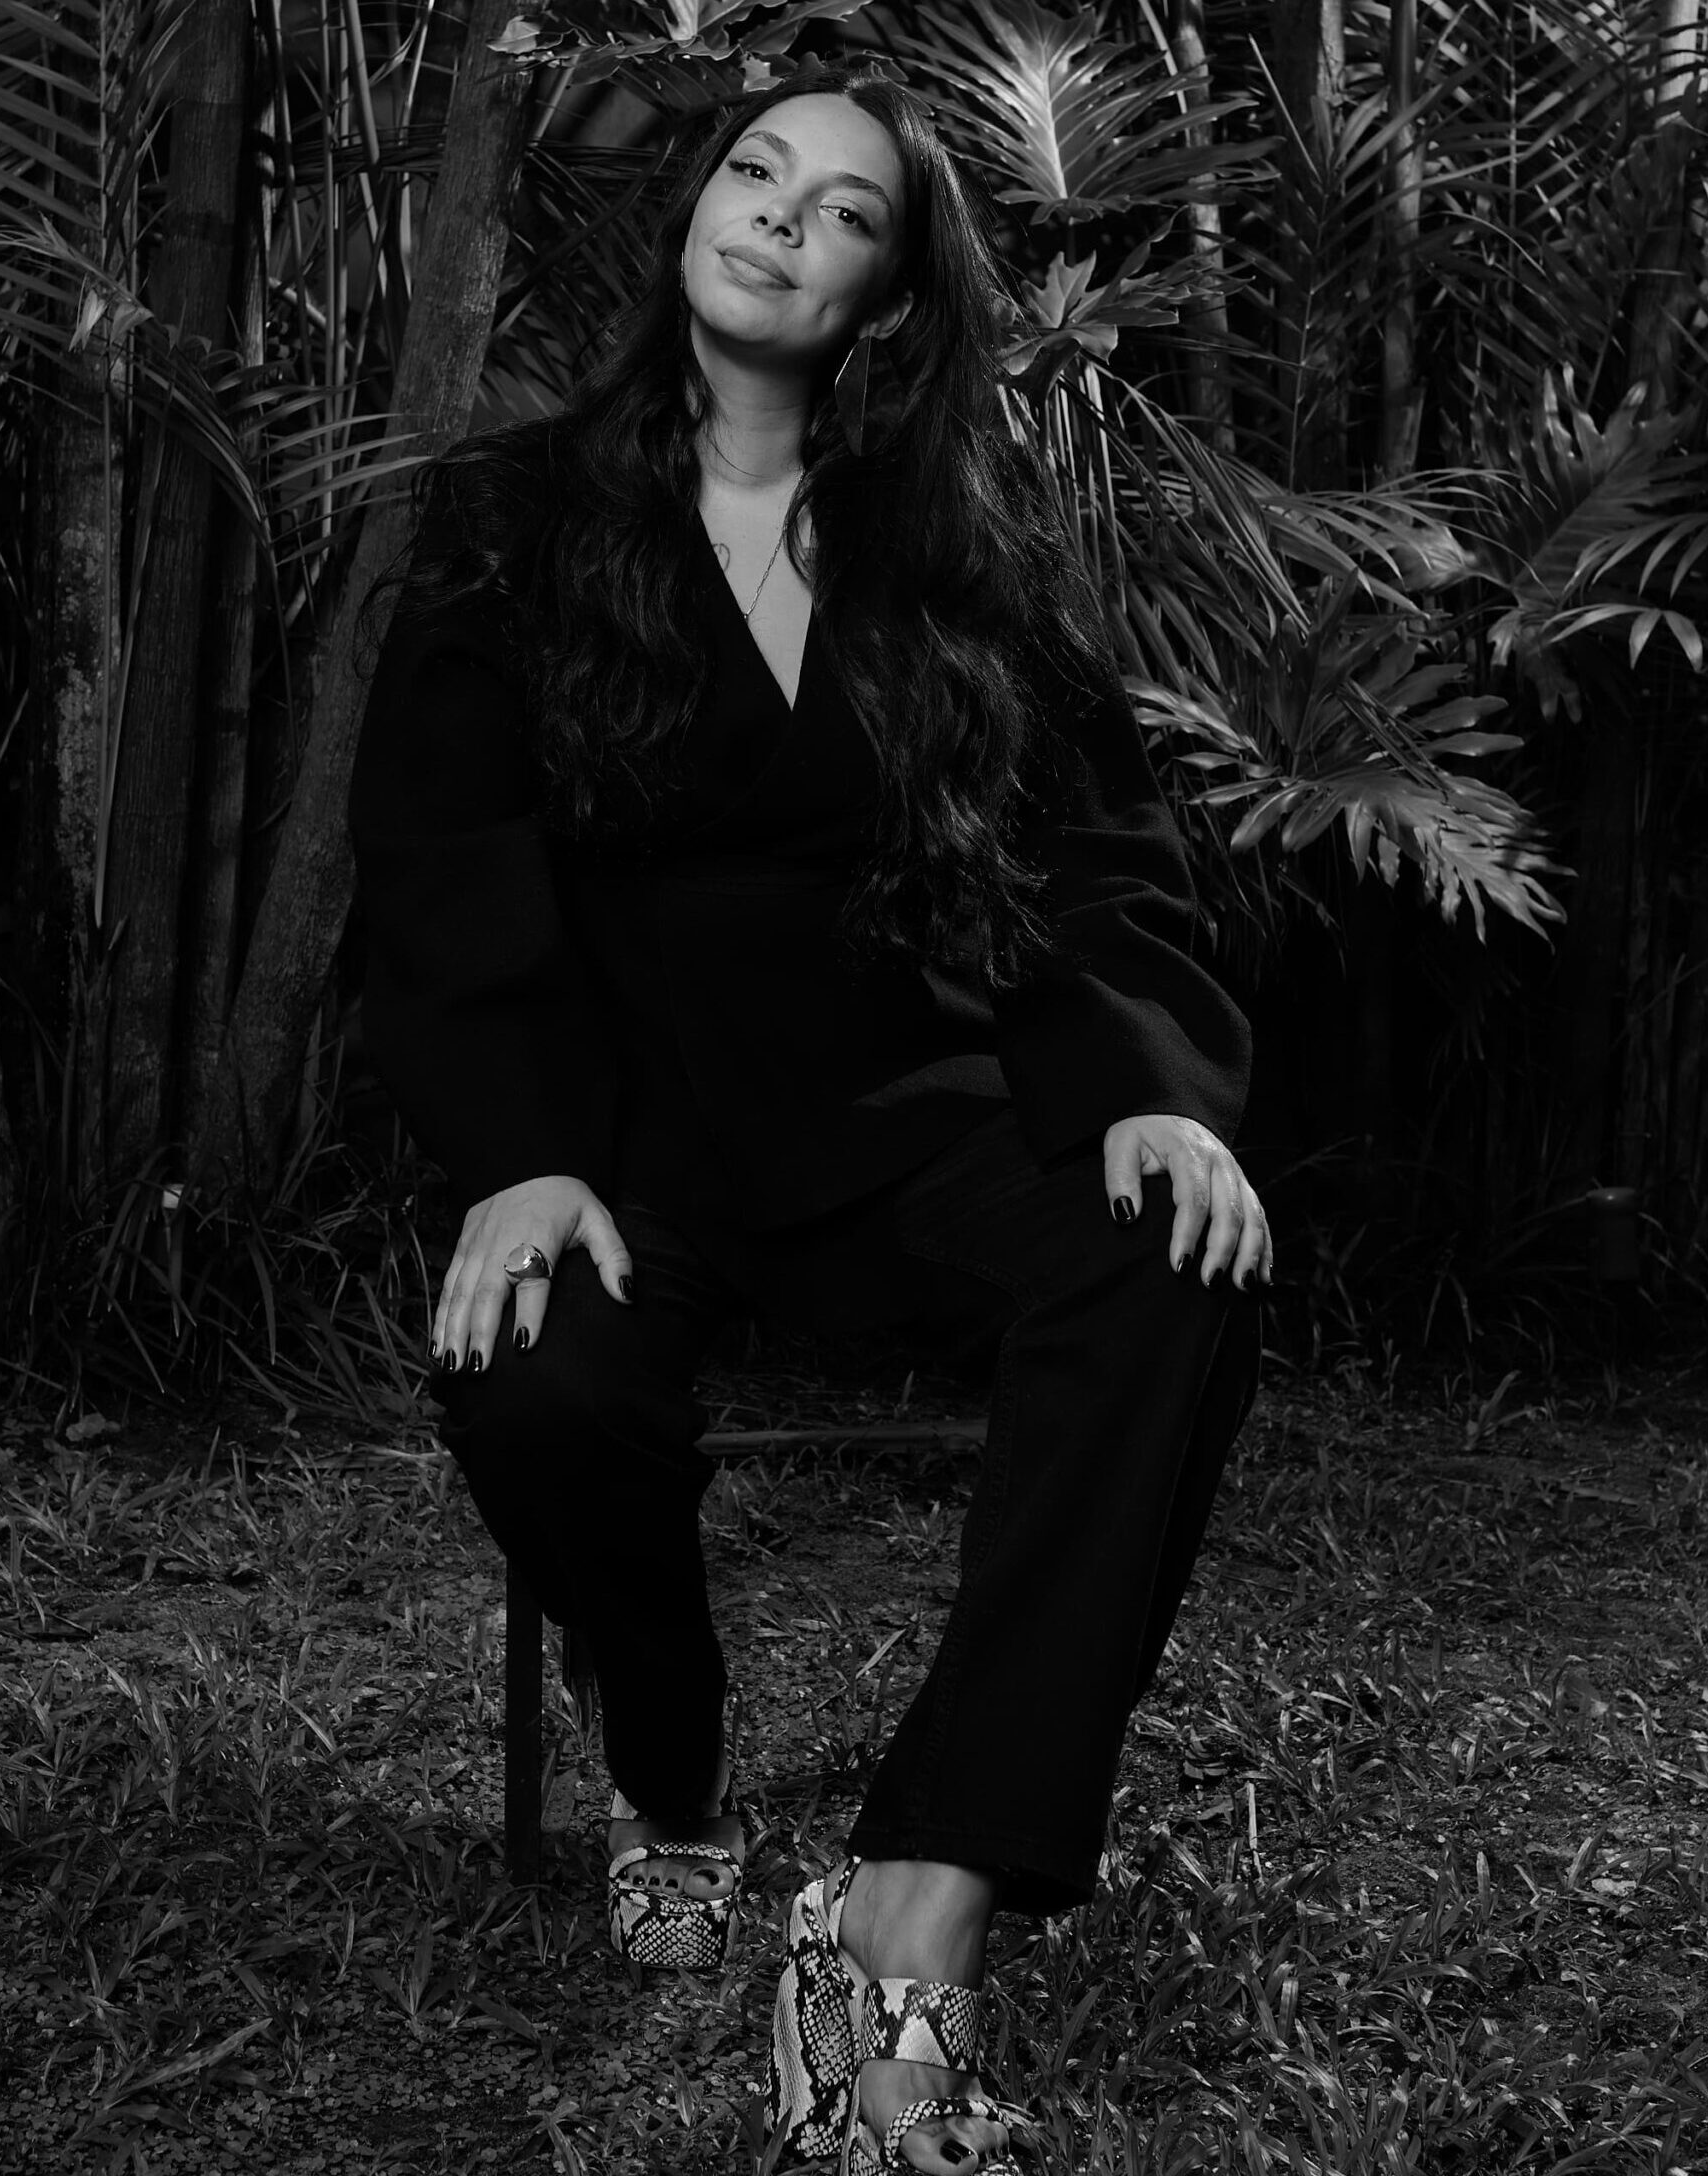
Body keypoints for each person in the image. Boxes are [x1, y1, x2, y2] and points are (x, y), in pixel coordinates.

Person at [347, 62, 1270, 2176]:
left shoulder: (954, 548)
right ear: (693, 210)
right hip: (628, 1140)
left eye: (844, 208)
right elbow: (443, 862)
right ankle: (668, 1769)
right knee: (537, 1384)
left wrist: (1148, 1097)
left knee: (1174, 1259)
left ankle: (910, 1896)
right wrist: (520, 1152)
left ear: (888, 294)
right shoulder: (511, 517)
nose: (780, 216)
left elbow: (1088, 855)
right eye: (755, 173)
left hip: (902, 1122)